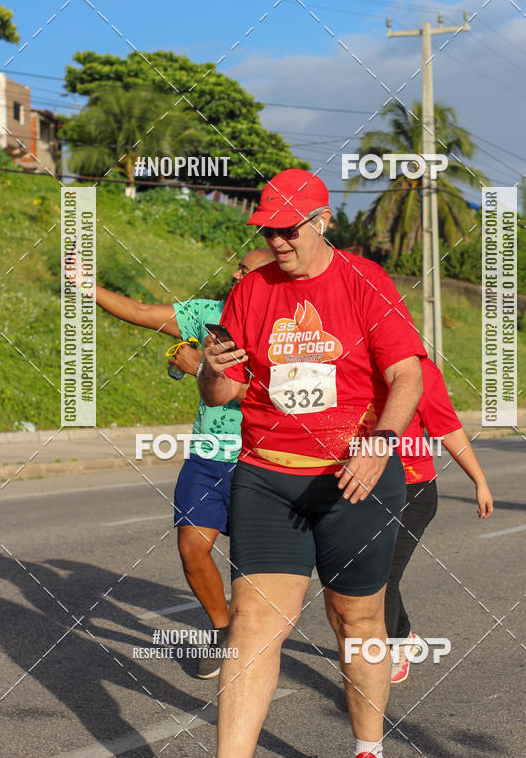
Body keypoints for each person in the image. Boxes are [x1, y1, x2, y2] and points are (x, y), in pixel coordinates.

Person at [199, 169, 427, 758]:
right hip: (268, 474)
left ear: (323, 222)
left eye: (288, 229)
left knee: (355, 620)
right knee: (253, 625)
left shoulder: (365, 281)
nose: (277, 241)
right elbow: (219, 395)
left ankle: (367, 748)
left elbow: (407, 375)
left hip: (354, 476)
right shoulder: (252, 289)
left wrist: (380, 444)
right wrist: (214, 365)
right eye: (267, 230)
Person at [64, 247, 273, 679]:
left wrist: (201, 370)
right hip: (206, 456)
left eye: (246, 270)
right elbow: (139, 310)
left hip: (258, 458)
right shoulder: (209, 314)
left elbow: (280, 399)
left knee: (252, 570)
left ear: (269, 279)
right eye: (236, 267)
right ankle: (221, 630)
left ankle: (252, 632)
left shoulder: (280, 328)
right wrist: (86, 286)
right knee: (191, 549)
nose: (235, 274)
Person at [385, 356, 494, 683]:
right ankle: (402, 635)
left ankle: (388, 651)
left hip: (411, 490)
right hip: (362, 488)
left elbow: (447, 429)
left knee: (381, 578)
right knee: (358, 578)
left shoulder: (418, 370)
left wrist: (480, 481)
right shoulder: (346, 359)